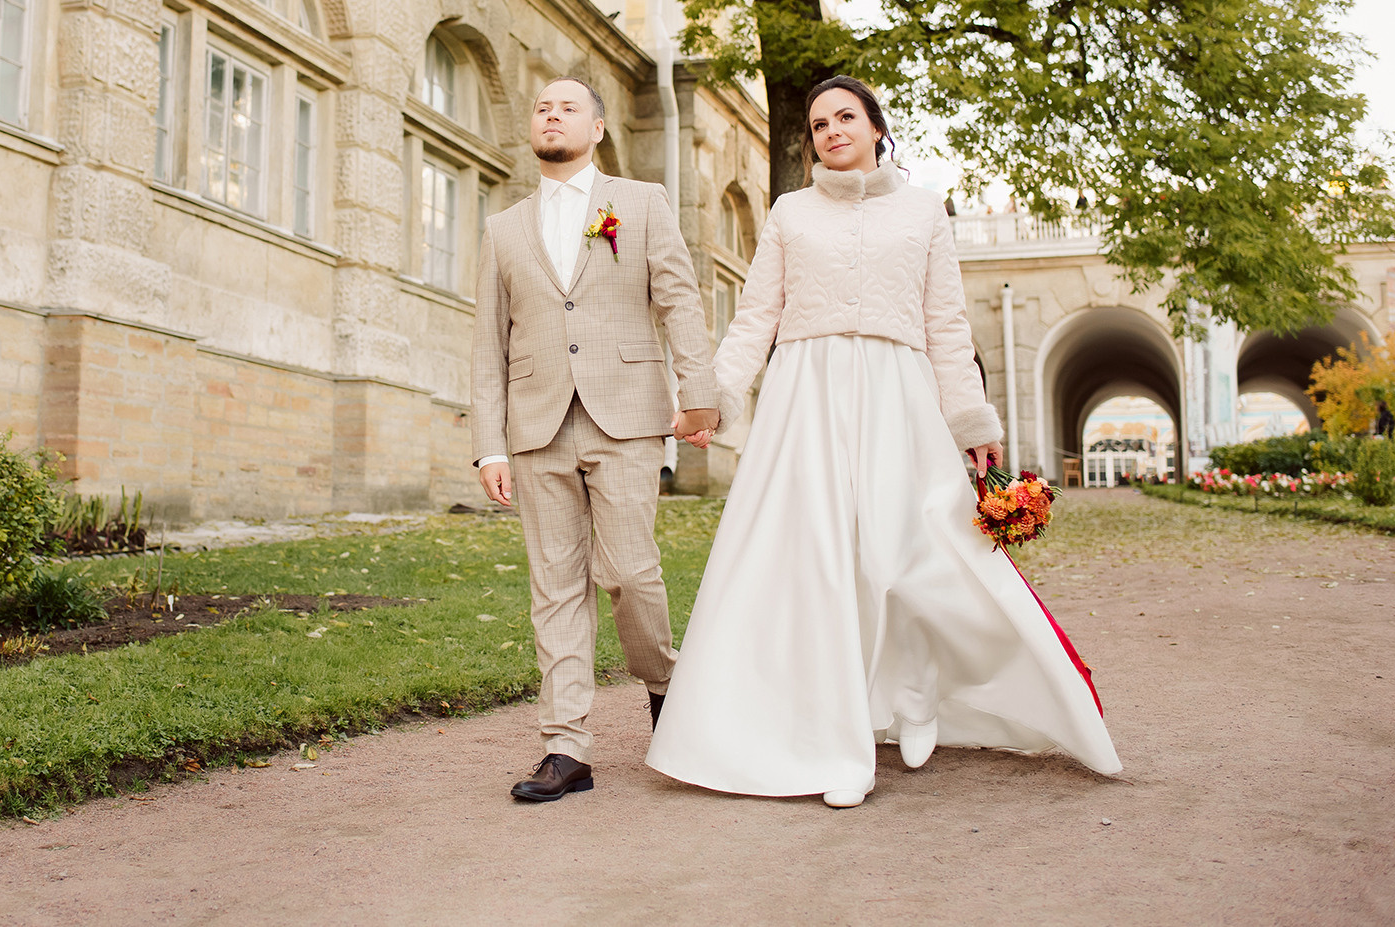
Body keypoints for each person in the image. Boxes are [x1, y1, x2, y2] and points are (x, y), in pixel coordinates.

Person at [649, 76, 1120, 808]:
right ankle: (840, 741)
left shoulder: (924, 211)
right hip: (807, 394)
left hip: (899, 395)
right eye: (818, 123)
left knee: (908, 554)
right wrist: (713, 396)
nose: (831, 129)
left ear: (876, 127)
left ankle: (915, 684)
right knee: (815, 561)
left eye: (846, 116)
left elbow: (946, 325)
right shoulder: (790, 213)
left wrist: (971, 423)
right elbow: (754, 317)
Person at [471, 77, 721, 803]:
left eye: (567, 105)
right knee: (554, 585)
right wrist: (490, 444)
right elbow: (488, 345)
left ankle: (666, 685)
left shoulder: (639, 203)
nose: (550, 112)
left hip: (626, 413)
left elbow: (677, 296)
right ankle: (566, 746)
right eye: (541, 105)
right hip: (536, 424)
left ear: (599, 127)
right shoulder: (503, 228)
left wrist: (698, 395)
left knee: (629, 570)